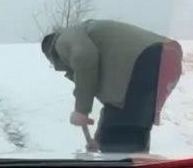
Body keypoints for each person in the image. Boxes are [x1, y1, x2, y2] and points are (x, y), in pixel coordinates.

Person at [41, 19, 183, 153]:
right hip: (166, 55)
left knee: (121, 132)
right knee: (134, 126)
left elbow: (83, 57)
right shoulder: (106, 51)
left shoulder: (63, 38)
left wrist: (81, 110)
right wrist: (99, 141)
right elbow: (115, 106)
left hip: (145, 58)